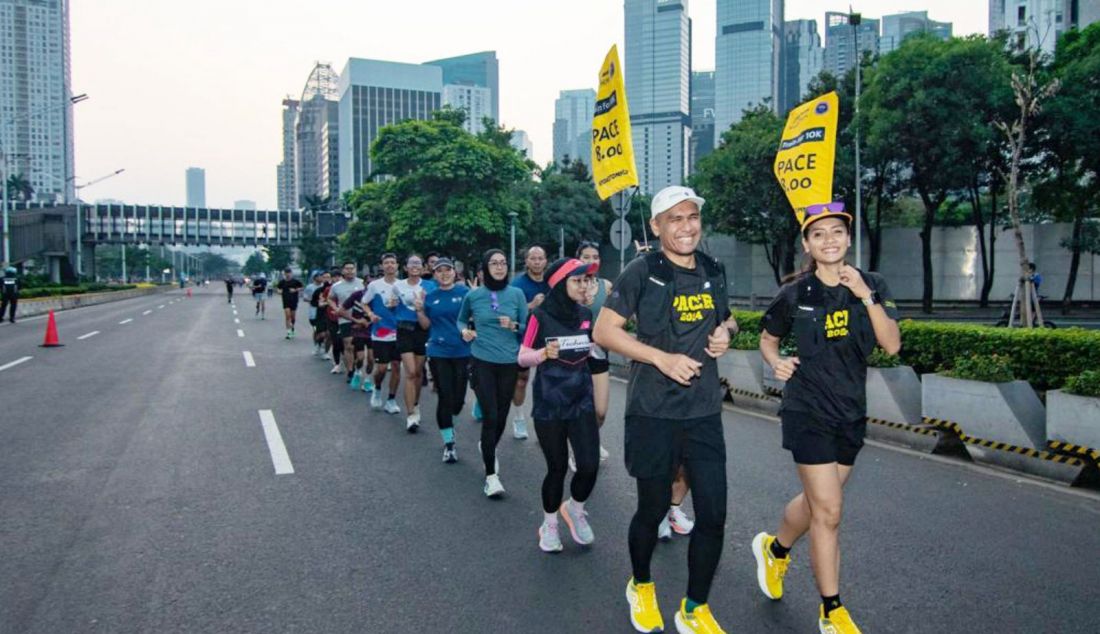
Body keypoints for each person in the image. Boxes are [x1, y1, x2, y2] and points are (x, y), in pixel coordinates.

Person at [593, 185, 738, 634]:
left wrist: (726, 332)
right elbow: (604, 330)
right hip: (652, 410)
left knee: (713, 513)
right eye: (674, 219)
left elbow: (727, 317)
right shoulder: (642, 271)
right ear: (656, 227)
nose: (686, 226)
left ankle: (694, 608)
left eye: (692, 216)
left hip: (703, 411)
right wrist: (660, 357)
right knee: (653, 507)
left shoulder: (714, 269)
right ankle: (641, 584)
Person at [754, 203, 900, 634]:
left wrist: (865, 296)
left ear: (849, 238)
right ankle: (831, 610)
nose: (830, 240)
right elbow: (768, 338)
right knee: (830, 511)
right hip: (807, 410)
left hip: (850, 412)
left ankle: (776, 550)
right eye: (819, 235)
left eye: (837, 232)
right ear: (808, 245)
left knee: (819, 501)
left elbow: (891, 344)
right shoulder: (795, 294)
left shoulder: (872, 285)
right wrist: (775, 361)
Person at [519, 257, 601, 553]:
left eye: (586, 281)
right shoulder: (540, 316)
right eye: (577, 280)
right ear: (559, 284)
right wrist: (543, 354)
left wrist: (595, 347)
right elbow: (522, 356)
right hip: (550, 403)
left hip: (581, 400)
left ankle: (575, 509)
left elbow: (594, 348)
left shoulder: (587, 314)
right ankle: (550, 524)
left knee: (589, 465)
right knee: (556, 468)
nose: (584, 286)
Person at [457, 249, 528, 498]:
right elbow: (461, 320)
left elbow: (528, 328)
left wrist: (515, 325)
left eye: (503, 263)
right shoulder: (474, 295)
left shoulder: (517, 294)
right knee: (491, 416)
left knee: (501, 416)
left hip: (508, 362)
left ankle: (487, 446)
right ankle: (491, 476)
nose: (499, 267)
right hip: (482, 361)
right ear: (485, 268)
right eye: (494, 263)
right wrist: (465, 331)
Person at [416, 257, 469, 462]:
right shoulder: (430, 296)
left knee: (458, 400)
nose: (444, 274)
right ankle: (449, 443)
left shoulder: (466, 294)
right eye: (440, 271)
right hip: (438, 351)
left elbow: (476, 317)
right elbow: (425, 325)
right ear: (434, 274)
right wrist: (419, 309)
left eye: (448, 270)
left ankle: (450, 421)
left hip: (463, 351)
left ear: (454, 273)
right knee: (445, 396)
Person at [576, 241, 613, 464]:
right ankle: (579, 449)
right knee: (579, 406)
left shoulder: (607, 286)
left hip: (599, 354)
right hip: (573, 357)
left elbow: (619, 315)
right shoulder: (569, 283)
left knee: (600, 411)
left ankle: (591, 438)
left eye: (595, 257)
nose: (591, 261)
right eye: (586, 257)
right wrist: (579, 302)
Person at [508, 245, 550, 440]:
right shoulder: (517, 284)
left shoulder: (552, 282)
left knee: (548, 381)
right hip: (524, 337)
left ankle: (546, 423)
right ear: (526, 261)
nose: (536, 262)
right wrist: (531, 305)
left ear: (545, 261)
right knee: (521, 379)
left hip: (548, 337)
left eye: (540, 258)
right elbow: (511, 313)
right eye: (532, 258)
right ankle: (518, 418)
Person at [393, 254, 432, 432]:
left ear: (423, 268)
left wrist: (422, 306)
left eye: (418, 263)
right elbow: (392, 306)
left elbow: (433, 309)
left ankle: (415, 404)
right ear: (406, 268)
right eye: (411, 263)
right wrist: (390, 305)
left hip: (422, 330)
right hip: (404, 330)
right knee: (411, 372)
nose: (415, 266)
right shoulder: (398, 285)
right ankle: (410, 415)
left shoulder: (430, 286)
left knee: (418, 373)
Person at [363, 254, 403, 414]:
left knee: (396, 367)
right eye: (386, 263)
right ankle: (377, 388)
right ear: (382, 266)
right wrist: (371, 315)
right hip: (380, 333)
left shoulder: (403, 285)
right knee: (380, 369)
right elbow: (364, 302)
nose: (390, 265)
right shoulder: (374, 285)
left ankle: (391, 400)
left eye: (393, 262)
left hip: (400, 332)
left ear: (397, 265)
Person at [328, 262, 365, 382]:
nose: (350, 271)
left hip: (361, 319)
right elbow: (330, 299)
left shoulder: (362, 283)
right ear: (343, 271)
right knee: (348, 344)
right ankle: (350, 370)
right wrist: (336, 309)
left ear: (355, 270)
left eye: (352, 268)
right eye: (347, 269)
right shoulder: (337, 286)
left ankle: (357, 366)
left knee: (358, 348)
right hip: (345, 318)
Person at [276, 267, 305, 339]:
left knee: (293, 317)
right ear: (284, 274)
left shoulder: (295, 281)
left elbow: (302, 287)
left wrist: (295, 290)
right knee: (287, 316)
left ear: (291, 273)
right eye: (286, 273)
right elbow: (278, 288)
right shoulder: (282, 282)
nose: (287, 274)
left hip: (294, 300)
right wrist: (279, 291)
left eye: (289, 273)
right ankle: (288, 332)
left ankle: (292, 328)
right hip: (285, 301)